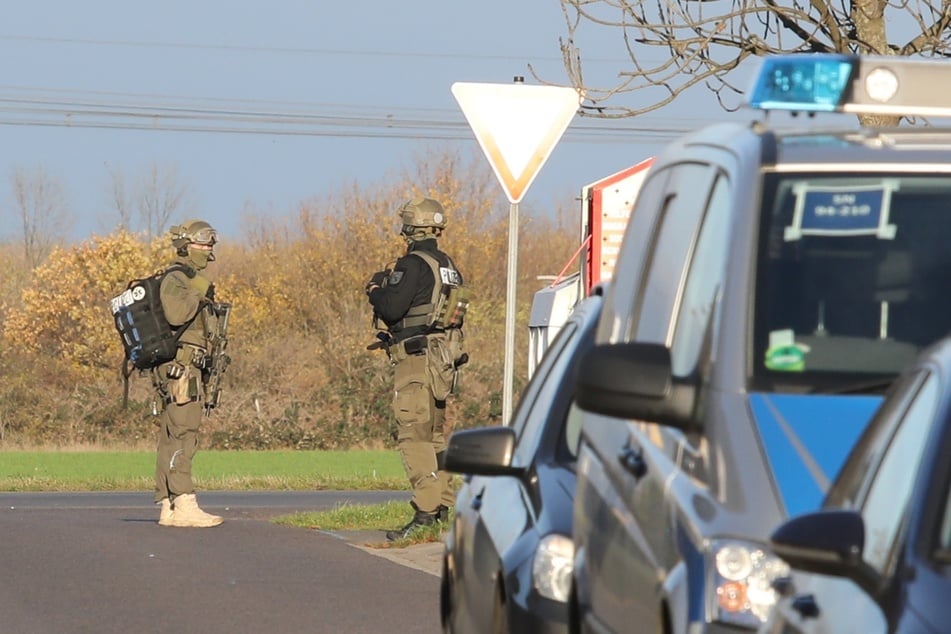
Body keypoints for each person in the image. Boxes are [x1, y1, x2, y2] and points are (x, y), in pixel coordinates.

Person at [366, 197, 469, 541]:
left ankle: (425, 511)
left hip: (416, 359)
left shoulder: (412, 264)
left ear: (410, 227)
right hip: (442, 360)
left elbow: (393, 308)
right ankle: (441, 506)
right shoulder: (447, 264)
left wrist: (376, 288)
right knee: (436, 435)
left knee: (413, 435)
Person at [152, 219, 224, 528]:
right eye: (204, 244)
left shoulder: (186, 279)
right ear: (187, 246)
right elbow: (176, 313)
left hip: (187, 366)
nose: (209, 251)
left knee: (173, 434)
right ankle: (184, 502)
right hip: (183, 369)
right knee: (184, 433)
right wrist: (199, 294)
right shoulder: (176, 278)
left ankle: (167, 504)